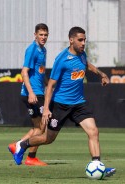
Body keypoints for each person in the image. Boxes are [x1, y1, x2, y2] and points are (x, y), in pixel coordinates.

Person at [11, 26, 116, 177]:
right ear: (71, 40)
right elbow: (50, 86)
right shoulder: (61, 59)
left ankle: (97, 165)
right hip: (60, 105)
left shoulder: (82, 54)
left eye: (84, 40)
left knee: (93, 131)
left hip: (79, 103)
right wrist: (46, 109)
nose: (83, 43)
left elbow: (86, 64)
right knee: (48, 139)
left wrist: (101, 74)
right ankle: (22, 144)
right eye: (80, 40)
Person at [8, 23, 49, 166]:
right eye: (41, 34)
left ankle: (17, 146)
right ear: (35, 35)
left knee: (38, 127)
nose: (43, 37)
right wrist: (31, 93)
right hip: (33, 94)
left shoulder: (43, 50)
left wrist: (49, 85)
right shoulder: (32, 49)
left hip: (38, 92)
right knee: (43, 126)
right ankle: (30, 157)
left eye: (45, 35)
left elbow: (40, 72)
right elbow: (24, 72)